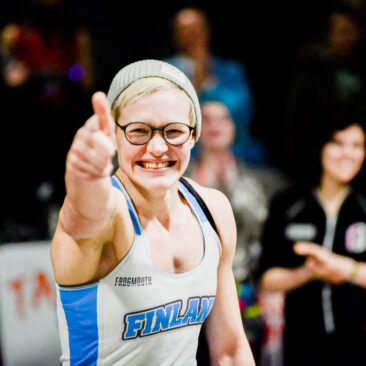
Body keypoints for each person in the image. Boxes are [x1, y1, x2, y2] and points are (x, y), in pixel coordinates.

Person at [50, 59, 256, 366]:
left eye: (173, 131)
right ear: (114, 136)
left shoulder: (212, 209)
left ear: (193, 135)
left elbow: (229, 349)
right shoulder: (111, 214)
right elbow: (85, 216)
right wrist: (83, 178)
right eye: (139, 131)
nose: (158, 148)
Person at [257, 104, 366, 366]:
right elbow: (266, 278)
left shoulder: (363, 204)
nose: (347, 154)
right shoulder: (289, 204)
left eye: (357, 145)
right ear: (320, 146)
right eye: (338, 143)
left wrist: (345, 268)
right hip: (301, 347)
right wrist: (308, 272)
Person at [165, 7, 265, 165]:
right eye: (184, 29)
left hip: (233, 152)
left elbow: (241, 110)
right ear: (176, 35)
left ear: (206, 31)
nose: (191, 35)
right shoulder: (165, 71)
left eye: (196, 28)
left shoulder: (230, 71)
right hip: (184, 151)